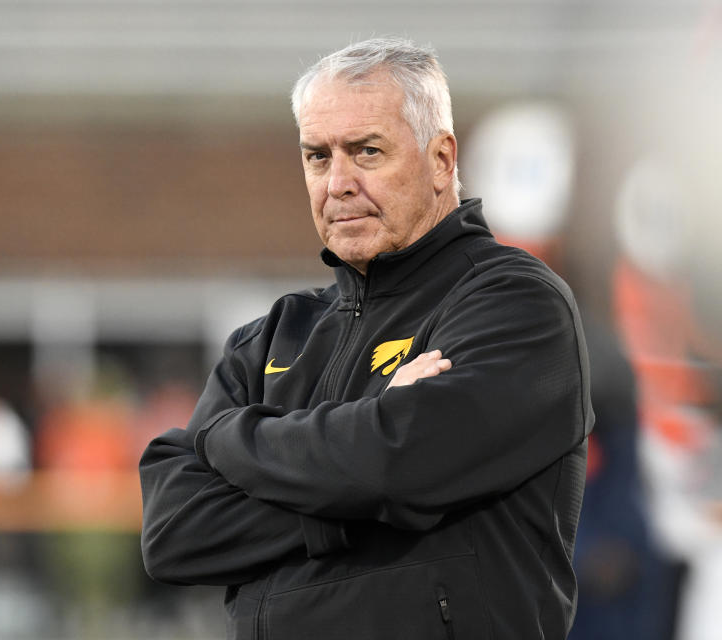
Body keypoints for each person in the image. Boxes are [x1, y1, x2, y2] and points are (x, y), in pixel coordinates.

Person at [139, 38, 593, 640]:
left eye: (366, 151)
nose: (339, 183)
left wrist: (230, 437)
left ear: (441, 159)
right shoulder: (272, 336)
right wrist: (355, 486)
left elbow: (401, 464)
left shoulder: (516, 304)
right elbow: (173, 532)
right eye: (317, 157)